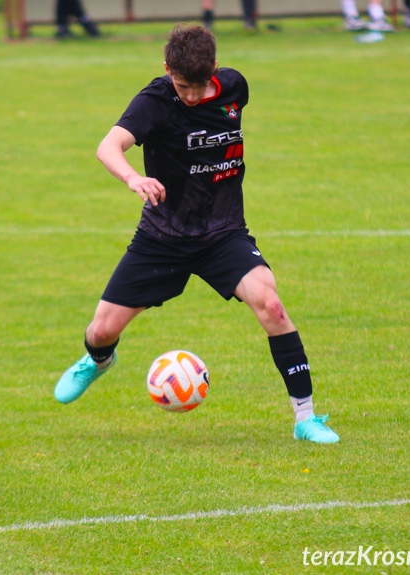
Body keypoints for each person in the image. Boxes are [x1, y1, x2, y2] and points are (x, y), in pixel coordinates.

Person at [53, 24, 340, 444]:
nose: (190, 95)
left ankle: (306, 418)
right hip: (163, 236)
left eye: (199, 86)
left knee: (273, 307)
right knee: (100, 331)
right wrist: (135, 178)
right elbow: (107, 147)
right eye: (183, 85)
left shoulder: (234, 87)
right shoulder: (154, 101)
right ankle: (98, 361)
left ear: (216, 70)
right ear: (167, 69)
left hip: (223, 233)